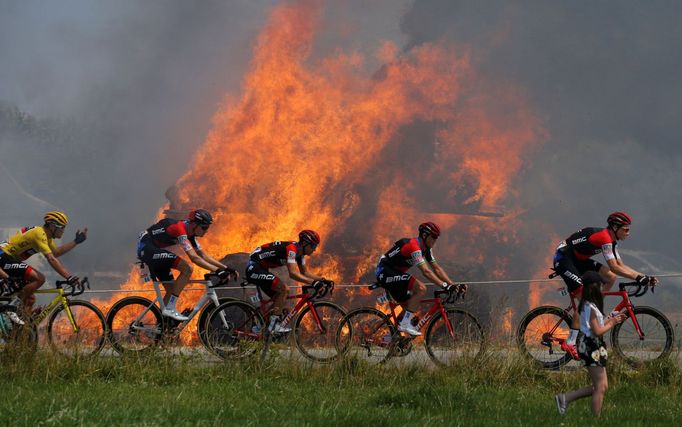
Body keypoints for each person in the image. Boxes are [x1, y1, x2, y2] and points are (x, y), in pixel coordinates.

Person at [552, 211, 657, 359]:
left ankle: (596, 312)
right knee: (585, 301)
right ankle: (570, 342)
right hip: (564, 259)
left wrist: (644, 277)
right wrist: (639, 277)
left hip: (578, 259)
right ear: (615, 227)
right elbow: (614, 266)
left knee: (610, 277)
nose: (628, 233)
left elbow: (620, 266)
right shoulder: (604, 237)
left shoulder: (612, 241)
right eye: (625, 229)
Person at [137, 209, 237, 321]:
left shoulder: (190, 233)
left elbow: (203, 255)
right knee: (187, 268)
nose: (206, 231)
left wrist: (226, 268)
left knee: (171, 290)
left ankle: (162, 325)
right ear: (194, 224)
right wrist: (217, 271)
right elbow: (194, 258)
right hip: (147, 247)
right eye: (204, 227)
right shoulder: (179, 228)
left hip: (154, 250)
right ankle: (170, 308)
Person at [555, 271, 626, 417]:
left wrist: (612, 318)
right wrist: (612, 323)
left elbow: (598, 325)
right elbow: (598, 331)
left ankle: (565, 398)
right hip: (591, 347)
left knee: (601, 386)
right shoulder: (590, 307)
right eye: (600, 285)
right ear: (593, 287)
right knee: (600, 387)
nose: (602, 287)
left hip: (593, 347)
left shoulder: (589, 305)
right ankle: (595, 419)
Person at [374, 222, 464, 336]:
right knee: (421, 288)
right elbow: (426, 271)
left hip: (394, 274)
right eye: (434, 237)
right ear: (425, 235)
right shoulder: (414, 246)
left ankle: (390, 339)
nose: (435, 241)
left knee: (409, 309)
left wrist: (452, 284)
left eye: (437, 238)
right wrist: (444, 286)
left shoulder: (426, 249)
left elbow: (437, 268)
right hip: (384, 272)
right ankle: (404, 325)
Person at [0, 211, 86, 320]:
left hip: (10, 259)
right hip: (4, 257)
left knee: (30, 299)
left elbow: (55, 253)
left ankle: (22, 332)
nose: (63, 231)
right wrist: (68, 277)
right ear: (52, 226)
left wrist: (76, 241)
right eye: (62, 227)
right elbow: (51, 258)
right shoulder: (39, 233)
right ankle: (12, 306)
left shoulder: (46, 237)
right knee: (39, 279)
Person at [246, 230, 331, 333]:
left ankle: (260, 327)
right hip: (254, 267)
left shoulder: (300, 254)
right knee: (284, 290)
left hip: (262, 268)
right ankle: (273, 326)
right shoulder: (292, 249)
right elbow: (293, 273)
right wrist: (313, 283)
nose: (314, 249)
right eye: (313, 246)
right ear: (304, 243)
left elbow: (305, 272)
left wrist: (323, 280)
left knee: (279, 298)